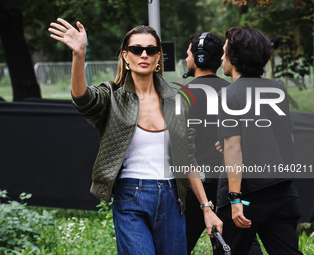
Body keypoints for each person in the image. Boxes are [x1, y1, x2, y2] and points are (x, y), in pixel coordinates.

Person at [48, 18, 222, 255]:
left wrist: (206, 207)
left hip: (173, 199)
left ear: (158, 56)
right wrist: (79, 54)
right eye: (136, 49)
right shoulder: (112, 96)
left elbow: (188, 157)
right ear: (125, 55)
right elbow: (82, 99)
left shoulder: (176, 99)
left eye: (151, 50)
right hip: (131, 197)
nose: (144, 55)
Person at [217, 23, 303, 255]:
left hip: (245, 197)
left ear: (234, 57)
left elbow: (234, 149)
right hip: (282, 192)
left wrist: (235, 198)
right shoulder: (277, 90)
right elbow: (287, 139)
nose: (222, 57)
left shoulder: (229, 94)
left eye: (225, 51)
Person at [184, 32, 262, 255]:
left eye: (189, 54)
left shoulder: (183, 95)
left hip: (195, 185)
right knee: (241, 247)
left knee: (175, 245)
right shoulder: (234, 93)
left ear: (198, 58)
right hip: (230, 183)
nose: (187, 59)